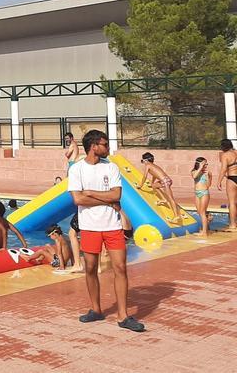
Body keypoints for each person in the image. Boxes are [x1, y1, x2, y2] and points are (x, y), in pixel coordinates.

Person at [68, 130, 144, 332]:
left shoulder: (111, 167)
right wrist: (107, 198)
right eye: (104, 144)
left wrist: (91, 192)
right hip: (89, 227)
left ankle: (123, 315)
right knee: (91, 268)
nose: (108, 147)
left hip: (112, 226)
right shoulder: (77, 170)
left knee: (120, 268)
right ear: (94, 146)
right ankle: (96, 309)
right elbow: (78, 199)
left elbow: (116, 194)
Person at [136, 152, 187, 223]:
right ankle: (164, 200)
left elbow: (145, 176)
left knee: (171, 199)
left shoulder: (148, 165)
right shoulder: (154, 165)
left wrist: (140, 185)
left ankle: (176, 216)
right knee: (154, 186)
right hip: (166, 180)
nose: (143, 162)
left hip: (165, 181)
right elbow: (154, 175)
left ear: (146, 160)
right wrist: (152, 183)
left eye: (142, 161)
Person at [217, 139, 237, 231]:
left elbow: (223, 169)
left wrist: (219, 181)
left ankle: (233, 225)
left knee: (232, 203)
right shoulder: (236, 152)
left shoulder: (225, 155)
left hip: (232, 179)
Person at [192, 157, 212, 237]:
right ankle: (208, 222)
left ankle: (204, 232)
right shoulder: (194, 171)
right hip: (197, 193)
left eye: (206, 164)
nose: (206, 165)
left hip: (204, 193)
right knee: (199, 212)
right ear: (199, 164)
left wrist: (207, 176)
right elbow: (194, 176)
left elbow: (208, 185)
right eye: (204, 163)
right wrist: (200, 168)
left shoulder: (208, 173)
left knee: (202, 212)